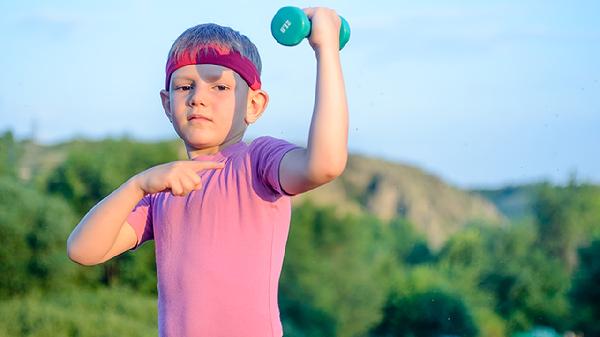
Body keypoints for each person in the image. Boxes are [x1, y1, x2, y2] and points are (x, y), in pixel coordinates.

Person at [67, 7, 348, 337]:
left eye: (219, 87)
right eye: (185, 87)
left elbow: (326, 164)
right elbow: (83, 250)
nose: (198, 98)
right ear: (166, 103)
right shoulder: (161, 189)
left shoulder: (257, 162)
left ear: (254, 105)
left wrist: (325, 49)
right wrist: (137, 186)